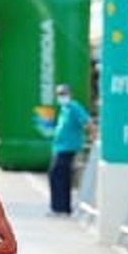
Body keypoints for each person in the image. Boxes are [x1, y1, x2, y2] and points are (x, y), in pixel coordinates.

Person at [48, 84, 94, 216]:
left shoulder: (74, 107)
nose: (62, 96)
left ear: (69, 94)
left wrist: (93, 135)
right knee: (58, 176)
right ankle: (59, 207)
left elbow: (87, 121)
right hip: (59, 148)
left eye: (64, 93)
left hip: (68, 148)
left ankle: (61, 207)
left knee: (58, 175)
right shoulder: (64, 109)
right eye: (59, 94)